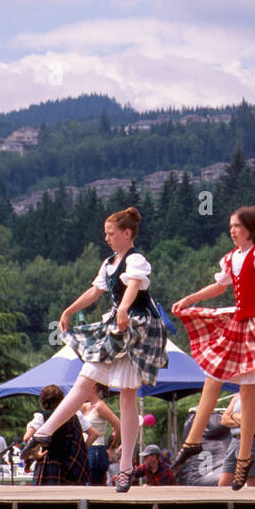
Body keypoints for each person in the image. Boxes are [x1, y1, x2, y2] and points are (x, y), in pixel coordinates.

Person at [24, 207, 168, 494]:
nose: (107, 238)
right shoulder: (109, 263)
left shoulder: (135, 259)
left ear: (127, 233)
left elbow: (134, 286)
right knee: (84, 379)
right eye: (105, 233)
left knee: (127, 398)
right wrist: (70, 309)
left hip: (138, 326)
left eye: (111, 233)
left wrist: (125, 307)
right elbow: (95, 291)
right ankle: (44, 433)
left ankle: (125, 468)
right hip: (118, 324)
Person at [170, 206, 255, 490]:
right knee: (212, 378)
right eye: (231, 226)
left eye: (237, 226)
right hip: (239, 321)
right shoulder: (231, 258)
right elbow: (219, 287)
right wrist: (190, 299)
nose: (232, 230)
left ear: (252, 229)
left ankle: (243, 460)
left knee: (246, 391)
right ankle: (192, 442)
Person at [24, 385, 89, 486]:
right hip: (72, 462)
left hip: (50, 463)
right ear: (62, 399)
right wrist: (80, 450)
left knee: (48, 497)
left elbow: (27, 437)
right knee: (70, 498)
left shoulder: (41, 417)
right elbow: (94, 434)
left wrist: (36, 454)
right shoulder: (75, 414)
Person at [217, 385, 255, 488]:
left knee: (251, 481)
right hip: (235, 440)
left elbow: (250, 422)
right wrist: (243, 420)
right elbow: (223, 420)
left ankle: (253, 503)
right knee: (224, 482)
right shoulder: (237, 396)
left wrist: (233, 415)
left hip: (253, 441)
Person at [79, 382, 120, 486]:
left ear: (93, 388)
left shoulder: (100, 406)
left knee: (92, 485)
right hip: (87, 448)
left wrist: (112, 447)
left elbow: (118, 426)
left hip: (96, 449)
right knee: (85, 483)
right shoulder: (86, 406)